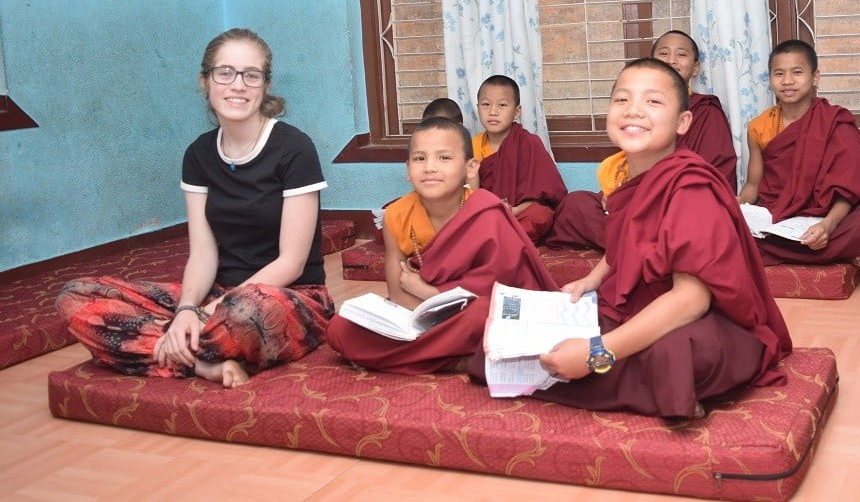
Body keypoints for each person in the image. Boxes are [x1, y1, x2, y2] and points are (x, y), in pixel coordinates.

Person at [471, 58, 793, 419]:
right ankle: (636, 381)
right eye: (622, 100)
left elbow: (691, 299)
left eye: (653, 102)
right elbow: (627, 244)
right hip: (633, 305)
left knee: (674, 354)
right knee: (499, 330)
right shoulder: (628, 176)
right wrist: (590, 280)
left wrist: (597, 353)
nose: (634, 111)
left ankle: (624, 375)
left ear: (683, 122)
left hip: (699, 318)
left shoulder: (690, 186)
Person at [56, 28, 333, 388]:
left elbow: (292, 263)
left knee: (248, 309)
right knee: (75, 297)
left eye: (251, 75)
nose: (238, 85)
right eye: (225, 73)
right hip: (216, 296)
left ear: (265, 86)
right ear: (205, 81)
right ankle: (201, 363)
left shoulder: (294, 148)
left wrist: (207, 313)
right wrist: (188, 309)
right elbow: (203, 253)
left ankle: (161, 347)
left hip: (286, 298)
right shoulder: (199, 155)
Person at [325, 117, 558, 374]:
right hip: (424, 318)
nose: (430, 167)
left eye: (444, 158)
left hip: (473, 315)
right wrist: (422, 320)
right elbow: (398, 291)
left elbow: (502, 289)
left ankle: (407, 358)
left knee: (485, 314)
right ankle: (459, 361)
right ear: (407, 169)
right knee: (341, 327)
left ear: (471, 167)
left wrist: (429, 293)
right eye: (420, 158)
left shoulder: (487, 210)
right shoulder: (397, 215)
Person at [546, 30, 737, 251]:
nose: (671, 60)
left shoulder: (705, 110)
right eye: (663, 53)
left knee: (690, 221)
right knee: (576, 203)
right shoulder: (636, 110)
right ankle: (644, 244)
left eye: (681, 54)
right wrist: (619, 195)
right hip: (633, 196)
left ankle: (639, 243)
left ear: (696, 67)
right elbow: (632, 163)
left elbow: (714, 172)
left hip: (679, 200)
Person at [737, 39, 860, 269]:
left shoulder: (833, 121)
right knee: (727, 224)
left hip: (826, 215)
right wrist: (738, 203)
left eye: (797, 72)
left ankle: (792, 251)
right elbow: (753, 184)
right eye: (779, 73)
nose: (787, 81)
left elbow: (849, 190)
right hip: (779, 216)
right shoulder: (759, 127)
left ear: (815, 77)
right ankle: (834, 254)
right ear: (770, 79)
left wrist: (828, 226)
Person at [470, 75, 568, 242]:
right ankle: (503, 239)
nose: (493, 111)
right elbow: (469, 194)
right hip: (487, 212)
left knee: (540, 215)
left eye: (502, 105)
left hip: (519, 212)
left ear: (517, 112)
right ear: (478, 107)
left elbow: (544, 194)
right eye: (486, 104)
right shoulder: (473, 145)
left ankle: (498, 240)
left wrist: (514, 210)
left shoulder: (529, 142)